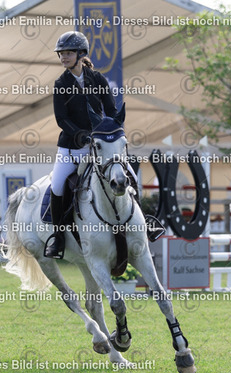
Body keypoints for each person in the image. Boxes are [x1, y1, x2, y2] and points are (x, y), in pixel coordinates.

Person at [45, 31, 165, 258]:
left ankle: (145, 223)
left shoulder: (97, 79)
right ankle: (58, 237)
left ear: (81, 54)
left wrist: (112, 128)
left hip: (101, 146)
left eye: (68, 53)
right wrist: (81, 135)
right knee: (58, 186)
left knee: (131, 176)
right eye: (61, 54)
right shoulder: (61, 84)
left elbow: (110, 109)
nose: (63, 57)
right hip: (72, 148)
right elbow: (61, 119)